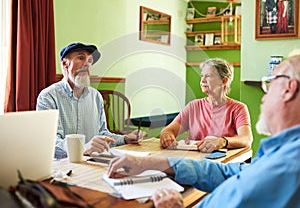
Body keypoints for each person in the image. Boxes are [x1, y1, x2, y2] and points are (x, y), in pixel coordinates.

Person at [107, 53, 300, 207]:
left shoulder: (287, 164)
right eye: (203, 76)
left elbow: (245, 141)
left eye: (270, 84)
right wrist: (154, 162)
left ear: (289, 89)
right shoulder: (279, 153)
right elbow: (230, 173)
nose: (264, 97)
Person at [36, 42, 146, 159]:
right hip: (64, 166)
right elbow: (51, 143)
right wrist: (83, 148)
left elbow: (103, 134)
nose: (87, 64)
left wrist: (125, 138)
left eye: (90, 61)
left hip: (92, 162)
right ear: (65, 64)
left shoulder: (96, 96)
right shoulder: (48, 97)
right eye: (81, 58)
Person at [160, 58, 253, 153]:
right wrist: (166, 135)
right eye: (202, 76)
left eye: (208, 76)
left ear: (224, 81)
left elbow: (246, 139)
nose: (203, 80)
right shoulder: (193, 106)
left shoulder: (238, 108)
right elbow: (169, 130)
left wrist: (222, 141)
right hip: (196, 161)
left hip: (225, 164)